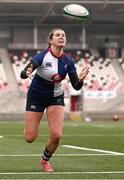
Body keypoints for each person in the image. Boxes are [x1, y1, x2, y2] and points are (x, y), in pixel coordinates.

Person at [20, 28, 89, 172]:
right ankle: (28, 127)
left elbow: (76, 86)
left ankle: (45, 161)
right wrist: (26, 72)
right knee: (29, 138)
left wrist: (81, 79)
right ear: (50, 40)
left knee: (57, 135)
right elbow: (23, 74)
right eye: (57, 35)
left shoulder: (68, 61)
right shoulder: (41, 56)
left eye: (63, 35)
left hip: (55, 98)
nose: (61, 37)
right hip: (36, 97)